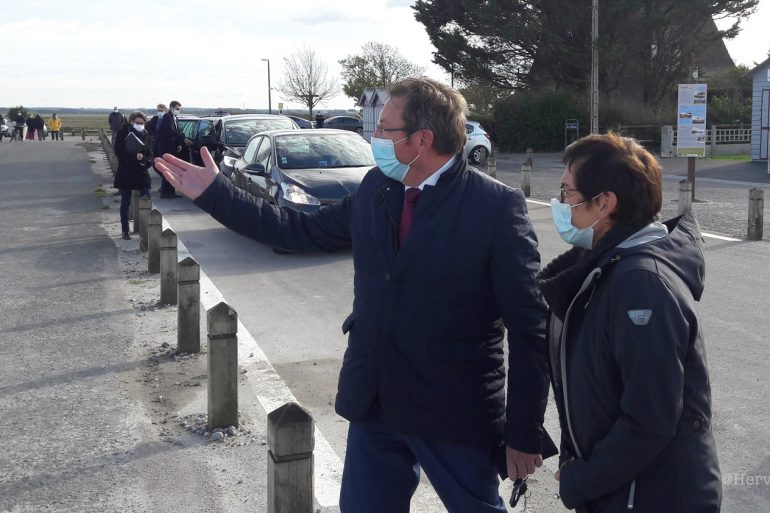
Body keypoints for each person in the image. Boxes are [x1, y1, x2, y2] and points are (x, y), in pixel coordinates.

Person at [156, 77, 551, 513]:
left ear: (422, 139)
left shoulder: (495, 207)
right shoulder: (376, 189)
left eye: (384, 129)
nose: (374, 137)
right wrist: (216, 194)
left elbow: (531, 329)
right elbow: (296, 228)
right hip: (375, 400)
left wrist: (523, 433)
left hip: (452, 411)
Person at [538, 133, 721, 512]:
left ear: (604, 202)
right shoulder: (608, 267)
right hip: (624, 489)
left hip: (652, 496)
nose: (559, 203)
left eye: (566, 192)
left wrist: (580, 480)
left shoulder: (640, 284)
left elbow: (649, 419)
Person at [113, 111, 153, 240]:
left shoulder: (146, 135)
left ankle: (146, 230)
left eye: (142, 123)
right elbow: (118, 151)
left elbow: (150, 155)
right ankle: (125, 230)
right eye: (137, 123)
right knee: (125, 202)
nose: (140, 125)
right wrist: (133, 157)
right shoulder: (123, 132)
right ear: (131, 122)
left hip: (141, 173)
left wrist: (143, 160)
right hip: (126, 171)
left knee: (146, 198)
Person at [154, 100, 191, 198]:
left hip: (171, 147)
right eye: (177, 109)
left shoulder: (174, 118)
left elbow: (175, 132)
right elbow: (170, 131)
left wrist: (179, 143)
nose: (178, 111)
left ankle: (170, 192)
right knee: (168, 170)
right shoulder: (167, 117)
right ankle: (166, 193)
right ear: (171, 108)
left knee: (170, 170)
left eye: (179, 109)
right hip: (165, 148)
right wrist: (183, 139)